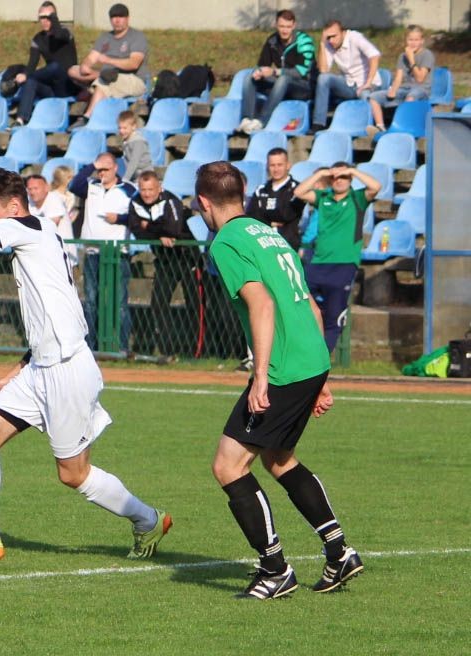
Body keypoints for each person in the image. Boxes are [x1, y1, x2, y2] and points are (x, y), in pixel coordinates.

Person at [0, 168, 171, 562]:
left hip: (66, 371)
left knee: (73, 474)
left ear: (13, 206)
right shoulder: (35, 233)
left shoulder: (26, 226)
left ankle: (148, 519)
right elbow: (50, 317)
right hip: (41, 367)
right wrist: (17, 372)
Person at [195, 160, 363, 599]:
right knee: (280, 459)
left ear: (203, 203)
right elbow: (310, 305)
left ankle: (274, 570)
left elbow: (263, 304)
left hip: (285, 366)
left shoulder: (226, 241)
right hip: (309, 359)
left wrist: (260, 378)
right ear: (244, 195)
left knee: (229, 466)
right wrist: (320, 376)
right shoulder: (269, 234)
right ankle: (339, 552)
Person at [293, 161, 381, 351]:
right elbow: (299, 192)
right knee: (299, 308)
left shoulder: (357, 198)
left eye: (344, 177)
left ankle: (322, 361)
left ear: (350, 179)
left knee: (335, 316)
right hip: (318, 263)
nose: (339, 181)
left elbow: (376, 186)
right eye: (336, 177)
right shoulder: (323, 197)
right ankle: (302, 354)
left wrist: (353, 171)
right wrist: (322, 173)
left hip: (344, 264)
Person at [127, 171, 201, 357]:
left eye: (151, 189)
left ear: (159, 188)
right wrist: (158, 233)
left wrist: (149, 226)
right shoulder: (135, 203)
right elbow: (137, 231)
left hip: (187, 258)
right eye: (143, 189)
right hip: (164, 261)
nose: (147, 194)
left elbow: (173, 230)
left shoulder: (171, 200)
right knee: (158, 304)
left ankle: (197, 351)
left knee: (195, 305)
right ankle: (169, 351)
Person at [69, 152, 135, 353]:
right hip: (92, 251)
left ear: (115, 168)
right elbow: (73, 185)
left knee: (119, 302)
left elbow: (135, 215)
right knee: (90, 301)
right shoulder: (91, 186)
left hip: (117, 252)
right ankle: (90, 348)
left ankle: (122, 348)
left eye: (106, 169)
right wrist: (92, 165)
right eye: (100, 170)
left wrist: (120, 219)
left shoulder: (129, 189)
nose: (102, 173)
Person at [68, 3, 149, 129]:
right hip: (107, 76)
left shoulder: (137, 36)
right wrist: (86, 65)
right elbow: (92, 57)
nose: (117, 20)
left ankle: (86, 117)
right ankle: (99, 79)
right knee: (73, 70)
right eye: (113, 17)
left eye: (120, 17)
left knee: (104, 81)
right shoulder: (105, 37)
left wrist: (109, 60)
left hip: (133, 79)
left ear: (127, 18)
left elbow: (134, 63)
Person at [237, 9, 316, 134]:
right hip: (281, 85)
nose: (285, 30)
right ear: (276, 25)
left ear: (294, 26)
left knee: (283, 79)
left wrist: (274, 72)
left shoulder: (304, 41)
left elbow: (301, 72)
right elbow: (263, 65)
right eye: (282, 26)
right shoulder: (272, 41)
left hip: (303, 87)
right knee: (249, 77)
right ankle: (246, 119)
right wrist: (259, 72)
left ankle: (262, 121)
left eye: (288, 27)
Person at [13, 2, 79, 126]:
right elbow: (32, 64)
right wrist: (26, 75)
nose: (45, 21)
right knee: (31, 81)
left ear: (55, 17)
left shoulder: (65, 32)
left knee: (54, 67)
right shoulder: (38, 39)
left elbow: (59, 35)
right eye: (42, 17)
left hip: (67, 85)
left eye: (48, 17)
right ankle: (21, 120)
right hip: (52, 88)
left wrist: (53, 18)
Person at [312, 20, 381, 132]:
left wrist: (368, 83)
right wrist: (322, 44)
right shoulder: (329, 44)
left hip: (368, 84)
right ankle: (318, 123)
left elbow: (374, 56)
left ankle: (367, 128)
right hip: (349, 85)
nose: (331, 40)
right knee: (323, 78)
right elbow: (323, 70)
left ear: (343, 32)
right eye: (328, 37)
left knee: (364, 94)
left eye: (334, 36)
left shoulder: (355, 37)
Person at [367, 25, 435, 136]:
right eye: (410, 40)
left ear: (422, 41)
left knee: (411, 97)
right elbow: (398, 77)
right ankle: (380, 127)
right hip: (404, 89)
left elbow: (420, 79)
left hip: (421, 89)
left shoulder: (427, 55)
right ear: (406, 41)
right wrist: (393, 90)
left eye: (416, 40)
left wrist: (411, 59)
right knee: (374, 97)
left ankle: (407, 126)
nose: (413, 43)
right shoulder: (402, 56)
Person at [245, 147, 306, 251]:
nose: (276, 169)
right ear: (267, 167)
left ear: (288, 165)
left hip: (288, 247)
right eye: (272, 165)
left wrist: (263, 215)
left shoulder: (297, 189)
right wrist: (269, 222)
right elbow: (251, 217)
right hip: (264, 247)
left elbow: (286, 215)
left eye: (279, 165)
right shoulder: (261, 190)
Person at [117, 109, 153, 182]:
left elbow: (134, 161)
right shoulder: (127, 141)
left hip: (145, 176)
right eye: (119, 128)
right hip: (135, 176)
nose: (121, 131)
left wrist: (126, 178)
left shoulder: (138, 142)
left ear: (133, 127)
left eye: (124, 128)